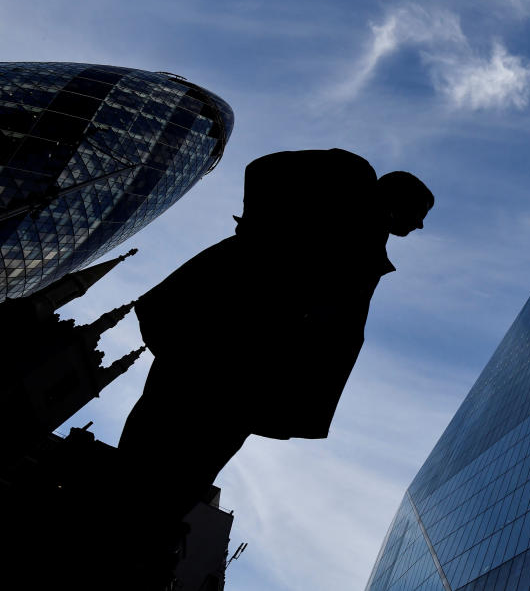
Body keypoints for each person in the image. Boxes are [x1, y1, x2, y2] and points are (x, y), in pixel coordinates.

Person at [117, 149, 434, 531]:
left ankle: (146, 528)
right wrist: (259, 233)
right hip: (221, 343)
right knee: (157, 439)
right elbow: (262, 169)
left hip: (261, 378)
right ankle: (122, 520)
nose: (418, 226)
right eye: (420, 213)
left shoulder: (368, 246)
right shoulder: (348, 184)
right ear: (398, 198)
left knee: (193, 470)